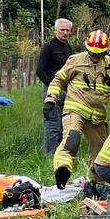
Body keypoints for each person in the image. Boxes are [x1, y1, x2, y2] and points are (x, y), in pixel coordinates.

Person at [43, 30, 110, 189]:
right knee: (71, 139)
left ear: (106, 51)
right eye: (92, 53)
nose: (95, 56)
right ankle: (62, 169)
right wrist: (50, 99)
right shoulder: (75, 61)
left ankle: (94, 185)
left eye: (99, 54)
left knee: (101, 154)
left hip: (97, 118)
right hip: (75, 111)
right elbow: (58, 80)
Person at [37, 18, 74, 153]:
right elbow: (40, 71)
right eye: (62, 30)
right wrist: (53, 87)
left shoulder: (68, 47)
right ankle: (49, 156)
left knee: (64, 124)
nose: (65, 33)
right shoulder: (48, 47)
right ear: (55, 31)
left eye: (67, 30)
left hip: (67, 91)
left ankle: (60, 153)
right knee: (52, 124)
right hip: (51, 91)